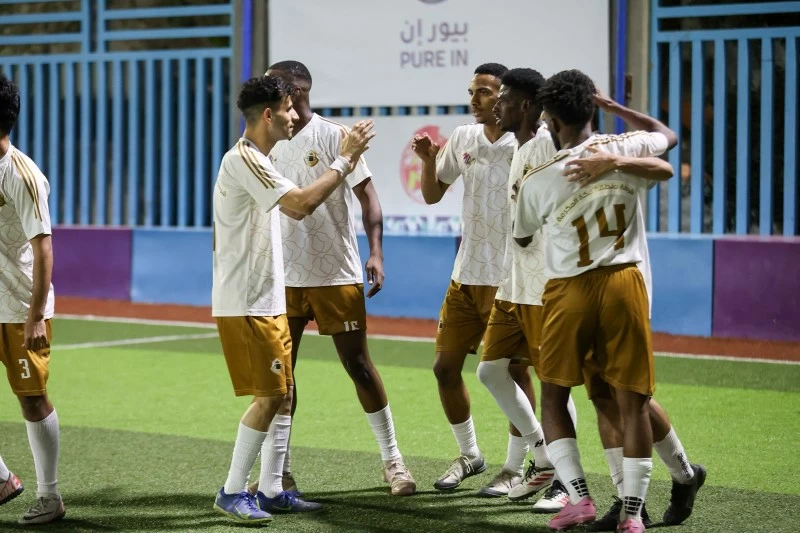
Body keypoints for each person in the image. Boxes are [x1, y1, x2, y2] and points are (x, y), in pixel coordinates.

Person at [514, 69, 678, 533]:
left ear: (549, 120)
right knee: (633, 401)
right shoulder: (625, 150)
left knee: (554, 395)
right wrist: (615, 112)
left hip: (569, 289)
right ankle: (633, 516)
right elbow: (667, 138)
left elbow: (523, 234)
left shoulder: (539, 178)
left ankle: (579, 497)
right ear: (591, 108)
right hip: (624, 283)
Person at [212, 74, 374, 523]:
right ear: (268, 114)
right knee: (269, 397)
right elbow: (302, 204)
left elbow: (294, 208)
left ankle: (270, 490)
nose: (292, 116)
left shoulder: (259, 160)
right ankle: (232, 491)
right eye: (286, 109)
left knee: (283, 393)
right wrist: (345, 160)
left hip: (267, 298)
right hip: (248, 301)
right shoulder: (246, 159)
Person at [257, 60, 415, 497]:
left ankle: (394, 463)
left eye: (273, 86)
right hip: (283, 277)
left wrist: (376, 252)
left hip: (334, 273)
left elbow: (369, 197)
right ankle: (280, 473)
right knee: (281, 376)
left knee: (358, 365)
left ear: (294, 91)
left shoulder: (334, 136)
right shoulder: (266, 140)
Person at [412, 63, 523, 492]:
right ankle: (471, 454)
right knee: (445, 368)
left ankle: (516, 467)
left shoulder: (523, 143)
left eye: (483, 92)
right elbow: (432, 193)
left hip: (509, 278)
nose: (474, 100)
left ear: (505, 97)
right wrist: (427, 161)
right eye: (472, 92)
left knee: (514, 373)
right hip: (465, 274)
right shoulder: (462, 137)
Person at [0, 74, 65, 526]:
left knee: (32, 399)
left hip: (19, 307)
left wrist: (36, 315)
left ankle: (49, 496)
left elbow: (44, 248)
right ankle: (3, 479)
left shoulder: (22, 175)